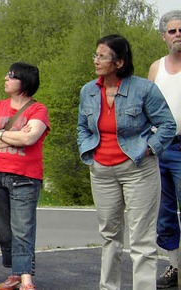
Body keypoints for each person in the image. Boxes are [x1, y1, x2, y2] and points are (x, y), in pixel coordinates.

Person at [77, 34, 176, 290]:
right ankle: (108, 287)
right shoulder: (88, 91)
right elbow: (82, 128)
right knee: (109, 236)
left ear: (119, 62)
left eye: (102, 56)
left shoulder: (144, 89)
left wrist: (148, 150)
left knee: (142, 240)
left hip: (138, 171)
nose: (96, 60)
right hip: (101, 171)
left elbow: (167, 125)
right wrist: (89, 151)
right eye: (95, 55)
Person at [0, 62, 48, 290]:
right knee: (5, 230)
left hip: (24, 177)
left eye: (12, 76)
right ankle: (16, 273)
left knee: (23, 228)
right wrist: (15, 135)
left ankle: (26, 277)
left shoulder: (38, 109)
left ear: (24, 82)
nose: (6, 78)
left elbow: (29, 139)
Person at [149, 10, 181, 289]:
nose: (178, 35)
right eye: (172, 31)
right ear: (164, 37)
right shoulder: (156, 68)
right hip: (161, 147)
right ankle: (175, 266)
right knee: (165, 212)